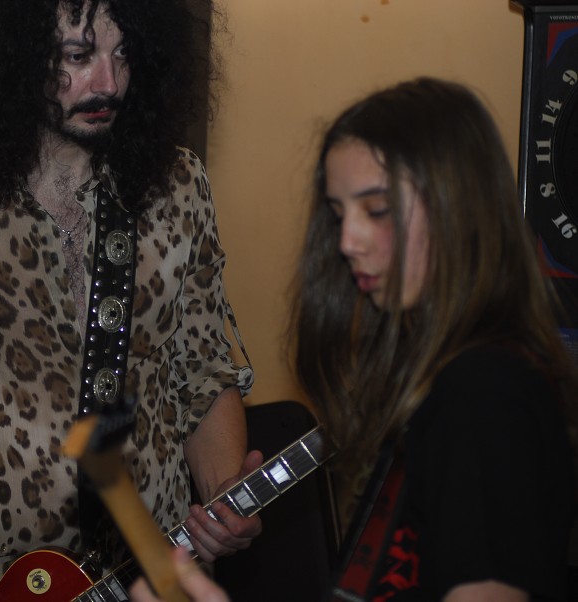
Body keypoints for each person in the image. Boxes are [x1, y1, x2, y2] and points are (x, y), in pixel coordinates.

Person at [0, 1, 260, 601]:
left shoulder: (178, 189)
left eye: (124, 53)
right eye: (79, 55)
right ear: (14, 56)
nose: (109, 82)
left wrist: (224, 498)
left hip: (153, 577)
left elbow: (201, 371)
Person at [130, 77, 578, 601]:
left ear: (459, 206)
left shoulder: (484, 393)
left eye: (377, 210)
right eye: (340, 214)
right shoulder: (446, 383)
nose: (346, 241)